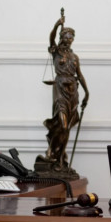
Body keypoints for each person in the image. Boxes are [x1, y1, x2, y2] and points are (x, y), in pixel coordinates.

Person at [40, 13, 88, 171]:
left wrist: (87, 93)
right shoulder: (56, 52)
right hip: (60, 89)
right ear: (62, 38)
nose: (69, 40)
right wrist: (56, 24)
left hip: (73, 92)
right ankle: (53, 152)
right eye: (67, 37)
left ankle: (60, 159)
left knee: (66, 128)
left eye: (71, 38)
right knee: (62, 124)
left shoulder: (74, 57)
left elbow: (80, 75)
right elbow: (51, 37)